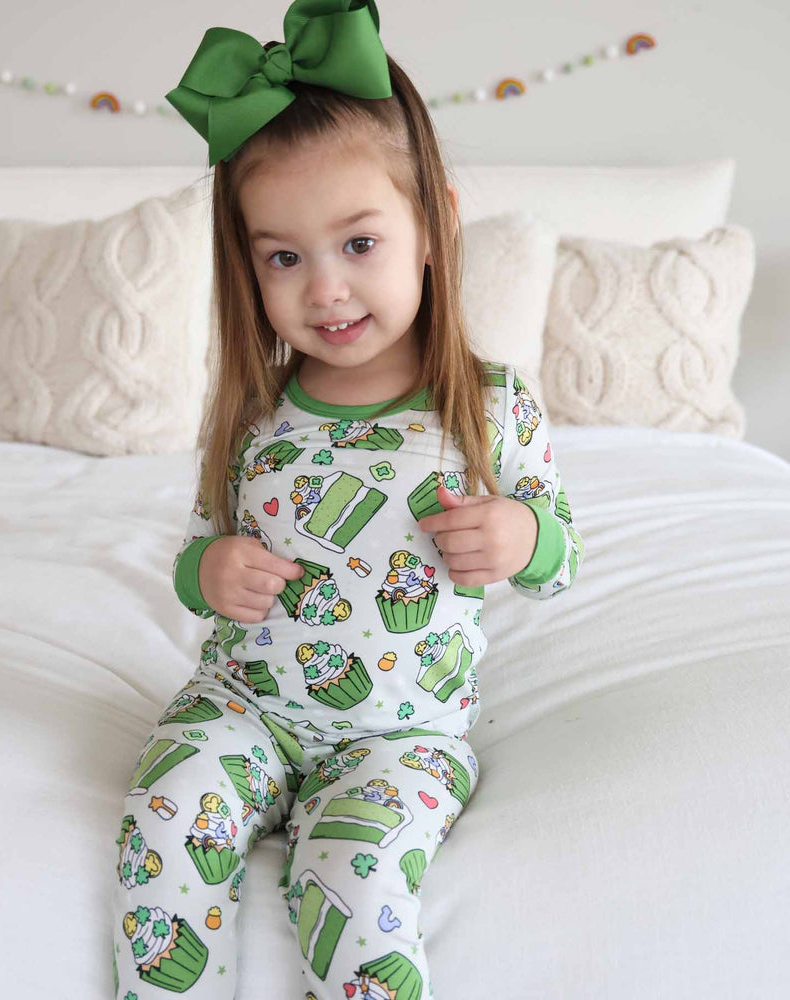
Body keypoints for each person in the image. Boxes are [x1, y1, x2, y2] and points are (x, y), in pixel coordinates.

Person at [111, 1, 585, 997]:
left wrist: (517, 535)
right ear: (250, 266)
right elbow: (194, 558)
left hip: (402, 735)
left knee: (351, 891)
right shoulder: (248, 414)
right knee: (161, 823)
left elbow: (560, 557)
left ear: (433, 225)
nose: (324, 290)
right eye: (284, 256)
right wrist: (212, 573)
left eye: (358, 244)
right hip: (244, 707)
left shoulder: (488, 408)